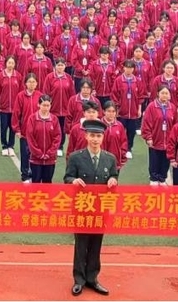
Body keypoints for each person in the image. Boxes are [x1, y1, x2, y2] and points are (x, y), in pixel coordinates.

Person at [64, 119, 117, 297]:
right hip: (82, 208)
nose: (95, 139)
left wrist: (113, 179)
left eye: (98, 136)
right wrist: (73, 181)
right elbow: (67, 177)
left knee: (96, 244)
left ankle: (92, 278)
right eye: (92, 135)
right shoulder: (75, 157)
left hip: (100, 209)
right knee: (81, 244)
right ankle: (79, 279)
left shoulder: (110, 159)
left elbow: (114, 175)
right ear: (86, 136)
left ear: (103, 137)